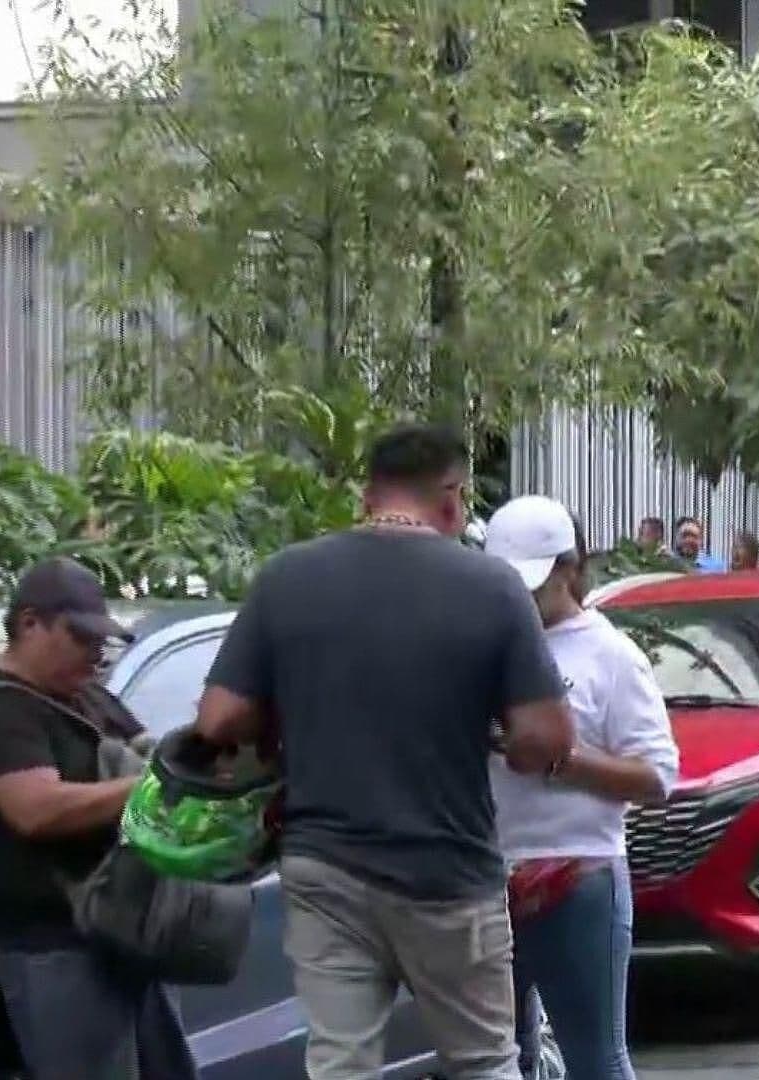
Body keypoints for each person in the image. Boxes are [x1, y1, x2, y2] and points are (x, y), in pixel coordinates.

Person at [193, 424, 576, 1080]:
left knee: (341, 1065)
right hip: (448, 869)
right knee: (484, 1061)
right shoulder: (491, 587)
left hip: (324, 868)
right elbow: (545, 740)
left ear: (367, 495)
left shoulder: (288, 577)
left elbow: (218, 718)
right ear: (453, 498)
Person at [0, 556, 198, 1080]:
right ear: (30, 624)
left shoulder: (82, 696)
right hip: (54, 948)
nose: (95, 654)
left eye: (101, 642)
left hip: (123, 934)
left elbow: (153, 754)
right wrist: (150, 787)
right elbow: (35, 809)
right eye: (80, 638)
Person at [484, 496, 678, 1080]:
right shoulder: (485, 647)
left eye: (534, 584)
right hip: (486, 878)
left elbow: (657, 776)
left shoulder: (611, 655)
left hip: (579, 875)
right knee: (499, 1059)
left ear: (571, 568)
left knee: (594, 1058)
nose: (521, 599)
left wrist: (558, 761)